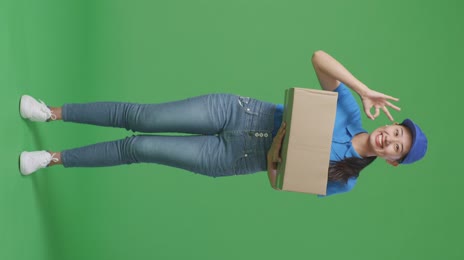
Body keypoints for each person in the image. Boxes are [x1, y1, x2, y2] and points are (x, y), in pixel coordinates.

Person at [19, 50, 428, 196]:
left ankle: (51, 158)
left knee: (139, 148)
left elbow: (279, 180)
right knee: (140, 116)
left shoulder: (346, 178)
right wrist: (363, 89)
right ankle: (51, 112)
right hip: (238, 112)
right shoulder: (352, 111)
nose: (390, 138)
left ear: (392, 160)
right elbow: (319, 58)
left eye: (397, 146)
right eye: (396, 131)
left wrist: (274, 149)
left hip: (231, 157)